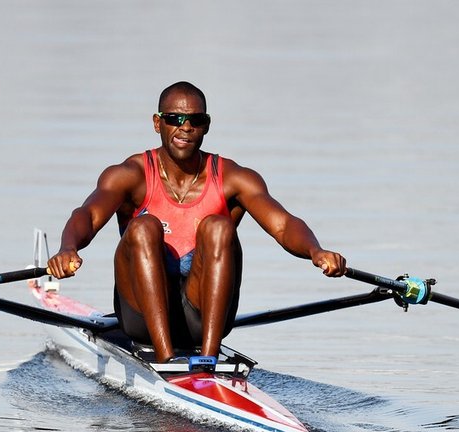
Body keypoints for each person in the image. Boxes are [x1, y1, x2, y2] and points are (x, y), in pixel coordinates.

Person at [46, 81, 347, 365]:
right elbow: (87, 215)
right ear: (157, 123)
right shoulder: (130, 174)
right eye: (174, 118)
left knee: (219, 226)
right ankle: (166, 359)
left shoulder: (233, 177)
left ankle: (208, 359)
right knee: (143, 226)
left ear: (207, 125)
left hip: (201, 317)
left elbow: (283, 225)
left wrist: (315, 252)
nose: (185, 127)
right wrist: (67, 248)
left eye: (195, 120)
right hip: (140, 318)